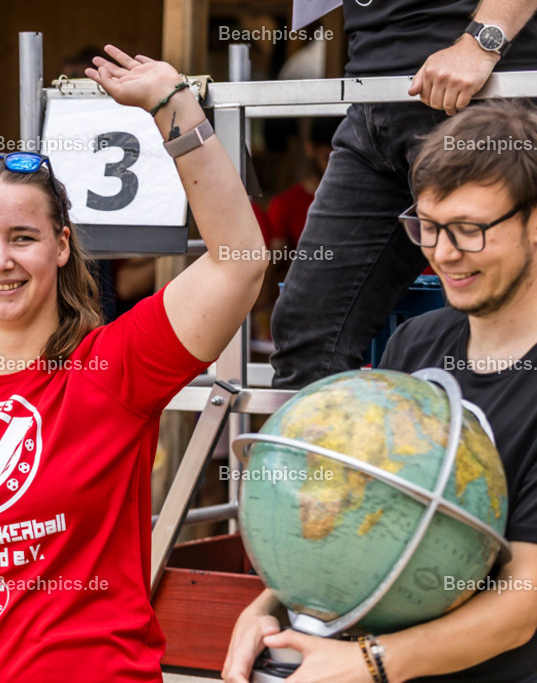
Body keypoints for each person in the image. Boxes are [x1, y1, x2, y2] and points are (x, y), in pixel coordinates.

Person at [0, 45, 267, 681]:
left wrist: (173, 105)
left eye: (22, 238)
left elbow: (238, 260)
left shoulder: (117, 365)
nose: (0, 261)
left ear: (62, 244)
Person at [224, 99, 537, 683]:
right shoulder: (416, 342)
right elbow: (356, 508)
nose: (443, 254)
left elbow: (524, 604)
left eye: (469, 230)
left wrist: (370, 664)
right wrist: (266, 608)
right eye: (427, 226)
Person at [270, 0, 537, 390]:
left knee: (497, 322)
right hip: (371, 102)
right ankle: (315, 451)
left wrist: (482, 41)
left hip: (481, 96)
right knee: (306, 333)